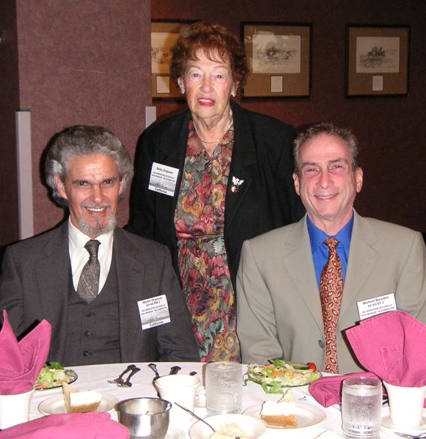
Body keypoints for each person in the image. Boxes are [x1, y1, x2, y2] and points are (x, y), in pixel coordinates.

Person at [126, 22, 304, 362]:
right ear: (180, 82)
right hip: (180, 302)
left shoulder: (273, 141)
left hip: (252, 302)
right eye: (195, 74)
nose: (206, 86)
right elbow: (144, 230)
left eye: (219, 75)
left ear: (235, 84)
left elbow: (295, 227)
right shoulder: (156, 142)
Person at [0, 125, 199, 366]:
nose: (97, 197)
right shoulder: (23, 262)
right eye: (83, 184)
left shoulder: (153, 261)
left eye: (107, 182)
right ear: (60, 186)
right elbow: (3, 356)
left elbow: (180, 352)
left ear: (121, 185)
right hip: (52, 399)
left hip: (129, 398)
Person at [237, 122, 426, 373]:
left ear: (358, 178)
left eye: (337, 167)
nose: (324, 181)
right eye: (311, 169)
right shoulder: (260, 256)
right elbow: (260, 357)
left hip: (384, 401)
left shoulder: (404, 248)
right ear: (297, 183)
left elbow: (417, 351)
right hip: (297, 404)